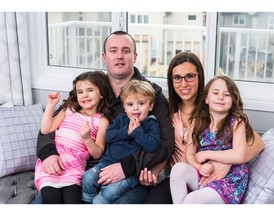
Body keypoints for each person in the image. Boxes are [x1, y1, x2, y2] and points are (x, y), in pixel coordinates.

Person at [35, 30, 174, 204]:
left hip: (129, 175)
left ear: (135, 56)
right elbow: (54, 123)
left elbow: (166, 143)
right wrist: (48, 153)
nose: (119, 56)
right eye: (113, 50)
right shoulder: (92, 88)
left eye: (126, 50)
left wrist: (127, 166)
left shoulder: (151, 94)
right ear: (104, 56)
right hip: (79, 173)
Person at [142, 52, 264, 204]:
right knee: (152, 203)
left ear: (199, 78)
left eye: (190, 76)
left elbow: (257, 143)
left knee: (192, 200)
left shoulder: (218, 110)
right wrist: (155, 169)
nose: (184, 83)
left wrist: (225, 163)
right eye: (177, 78)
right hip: (188, 175)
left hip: (217, 178)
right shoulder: (166, 110)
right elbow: (162, 146)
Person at [170, 75, 254, 204]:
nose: (220, 97)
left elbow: (239, 154)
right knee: (178, 169)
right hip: (205, 175)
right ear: (206, 98)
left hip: (229, 180)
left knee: (191, 200)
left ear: (233, 99)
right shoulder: (197, 122)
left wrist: (206, 154)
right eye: (215, 93)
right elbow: (190, 155)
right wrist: (198, 166)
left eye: (226, 94)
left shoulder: (236, 122)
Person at [34, 71, 113, 204]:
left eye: (90, 90)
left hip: (74, 168)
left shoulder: (101, 121)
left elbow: (98, 152)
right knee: (51, 200)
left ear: (101, 94)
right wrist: (50, 106)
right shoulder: (69, 110)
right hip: (53, 166)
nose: (84, 95)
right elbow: (46, 129)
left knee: (73, 201)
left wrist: (87, 139)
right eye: (80, 92)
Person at [82, 80, 160, 204]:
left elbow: (153, 146)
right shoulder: (121, 119)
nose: (135, 108)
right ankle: (87, 201)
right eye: (130, 104)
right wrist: (127, 131)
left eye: (141, 103)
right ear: (124, 107)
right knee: (87, 178)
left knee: (111, 191)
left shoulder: (151, 123)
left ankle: (98, 203)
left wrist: (137, 132)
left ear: (150, 106)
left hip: (131, 173)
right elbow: (109, 136)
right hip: (106, 164)